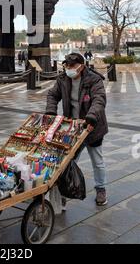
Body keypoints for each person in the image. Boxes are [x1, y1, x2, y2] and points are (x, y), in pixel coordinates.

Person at [46, 52, 108, 207]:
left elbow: (99, 100)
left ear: (81, 66)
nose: (69, 69)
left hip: (92, 126)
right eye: (67, 66)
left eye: (72, 66)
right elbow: (52, 95)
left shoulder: (93, 80)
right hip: (73, 128)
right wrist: (51, 112)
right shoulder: (62, 79)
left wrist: (91, 116)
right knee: (68, 161)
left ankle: (101, 189)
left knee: (97, 161)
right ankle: (66, 191)